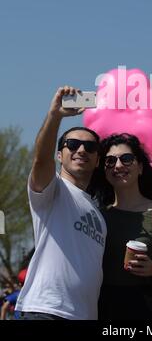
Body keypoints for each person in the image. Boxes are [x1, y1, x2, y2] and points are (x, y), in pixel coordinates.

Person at [15, 86, 106, 320]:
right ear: (59, 156)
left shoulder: (99, 213)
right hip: (46, 310)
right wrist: (55, 115)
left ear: (97, 161)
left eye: (90, 147)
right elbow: (40, 159)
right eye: (72, 145)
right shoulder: (54, 189)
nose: (81, 150)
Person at [89, 133, 152, 320]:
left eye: (126, 159)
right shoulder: (97, 216)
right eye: (110, 161)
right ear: (104, 170)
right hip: (107, 309)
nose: (118, 166)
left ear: (141, 167)